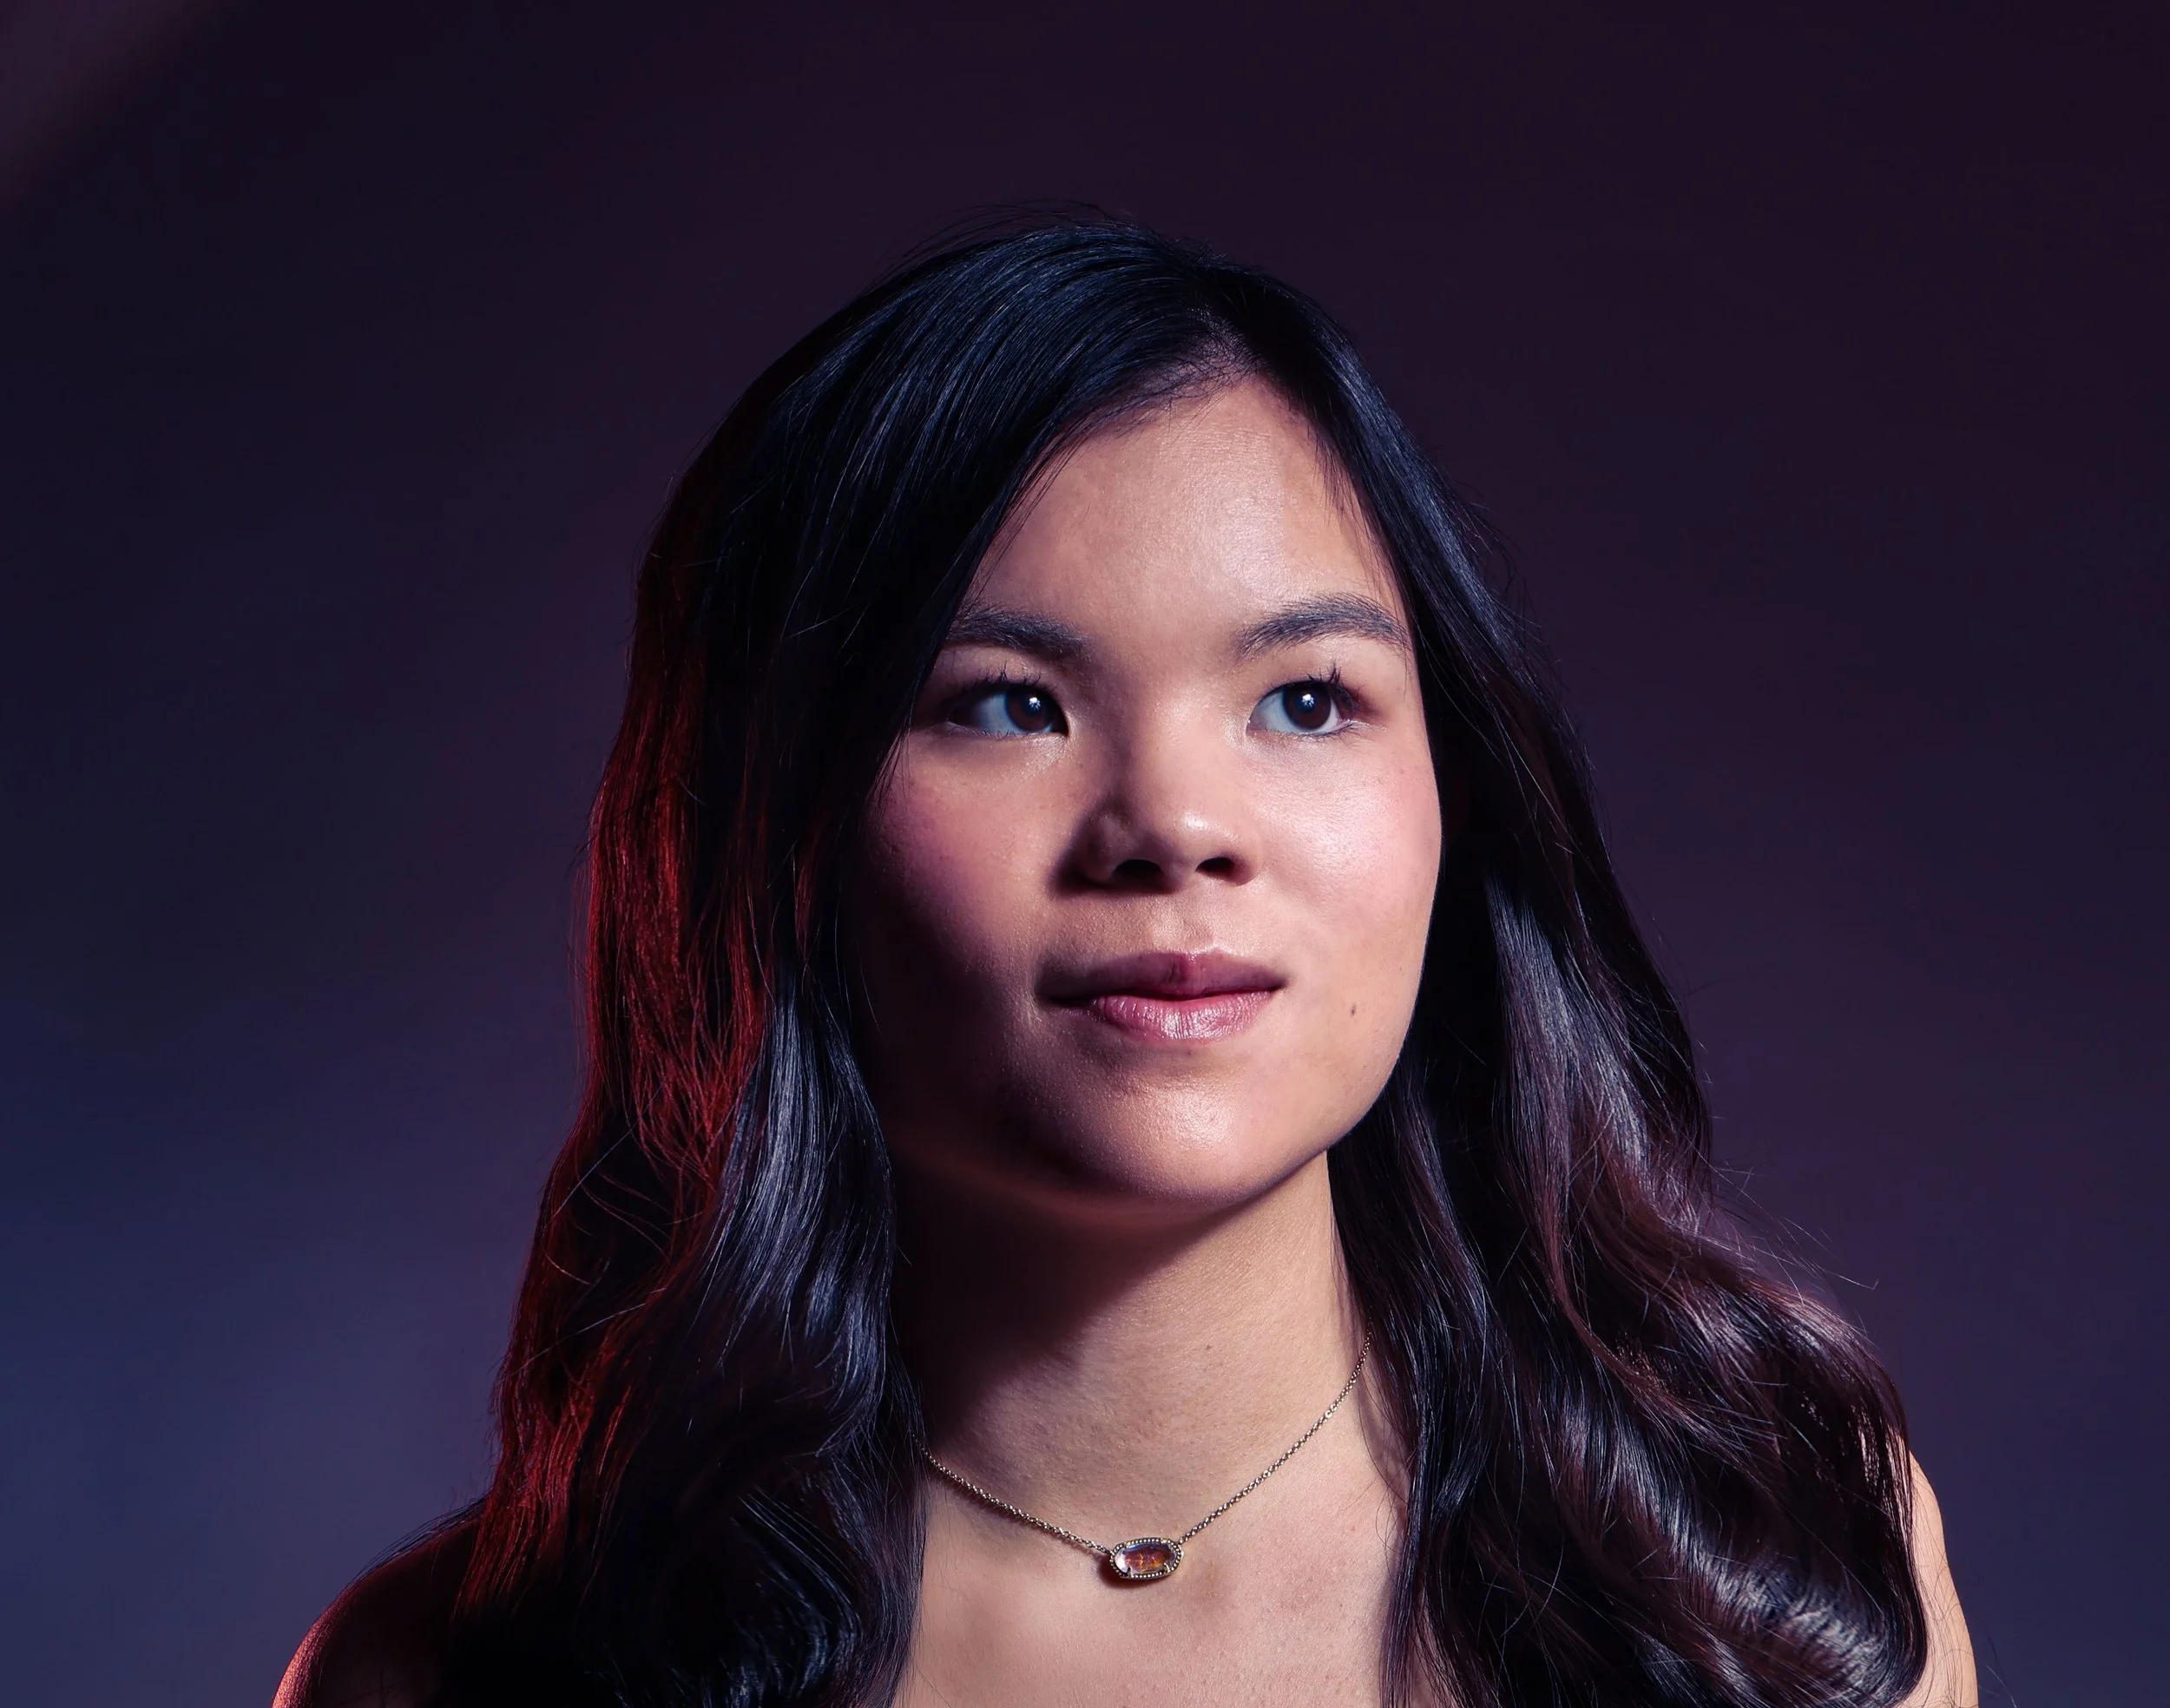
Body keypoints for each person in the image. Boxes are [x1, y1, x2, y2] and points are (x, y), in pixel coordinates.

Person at [277, 217, 1975, 1707]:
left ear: (1451, 791)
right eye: (1007, 703)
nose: (1171, 823)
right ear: (770, 830)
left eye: (1304, 699)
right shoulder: (461, 1674)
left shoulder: (1762, 1563)